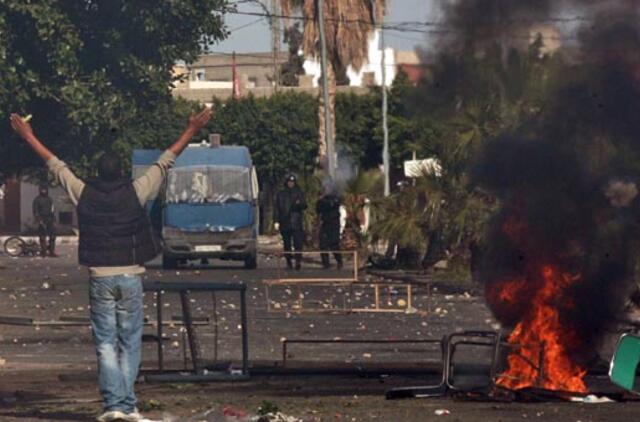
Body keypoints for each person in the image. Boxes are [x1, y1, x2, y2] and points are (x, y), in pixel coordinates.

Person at [9, 108, 212, 422]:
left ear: (97, 174)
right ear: (121, 174)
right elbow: (166, 159)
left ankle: (113, 406)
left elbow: (56, 165)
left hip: (99, 276)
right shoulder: (136, 190)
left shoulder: (83, 193)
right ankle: (128, 405)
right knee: (129, 340)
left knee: (105, 341)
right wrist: (191, 129)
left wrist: (28, 136)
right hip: (130, 274)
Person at [274, 174, 306, 270]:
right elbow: (277, 208)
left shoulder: (299, 193)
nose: (291, 183)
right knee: (287, 244)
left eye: (292, 182)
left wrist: (299, 204)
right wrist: (276, 221)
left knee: (298, 244)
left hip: (296, 222)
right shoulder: (281, 194)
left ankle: (298, 261)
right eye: (289, 182)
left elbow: (304, 205)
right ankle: (288, 262)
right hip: (285, 222)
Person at [316, 182, 343, 269]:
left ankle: (339, 261)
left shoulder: (336, 198)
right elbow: (318, 208)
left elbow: (332, 205)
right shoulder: (323, 200)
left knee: (334, 244)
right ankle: (325, 263)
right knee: (323, 244)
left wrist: (324, 200)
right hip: (325, 223)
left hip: (334, 224)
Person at [32, 184, 57, 257]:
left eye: (45, 189)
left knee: (52, 236)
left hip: (50, 219)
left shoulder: (49, 199)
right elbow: (35, 211)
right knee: (42, 237)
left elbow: (52, 210)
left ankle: (52, 252)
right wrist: (39, 220)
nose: (44, 191)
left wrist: (54, 220)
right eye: (42, 189)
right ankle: (44, 252)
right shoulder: (37, 200)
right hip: (42, 219)